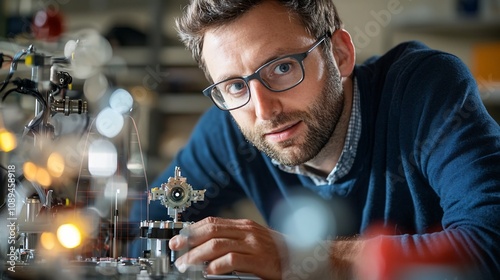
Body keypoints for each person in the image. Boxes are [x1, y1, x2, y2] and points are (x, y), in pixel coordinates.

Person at [136, 0, 500, 279]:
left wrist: (295, 257)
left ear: (340, 55)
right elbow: (143, 228)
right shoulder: (230, 129)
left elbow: (489, 245)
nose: (263, 111)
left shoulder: (424, 90)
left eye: (282, 67)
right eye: (234, 85)